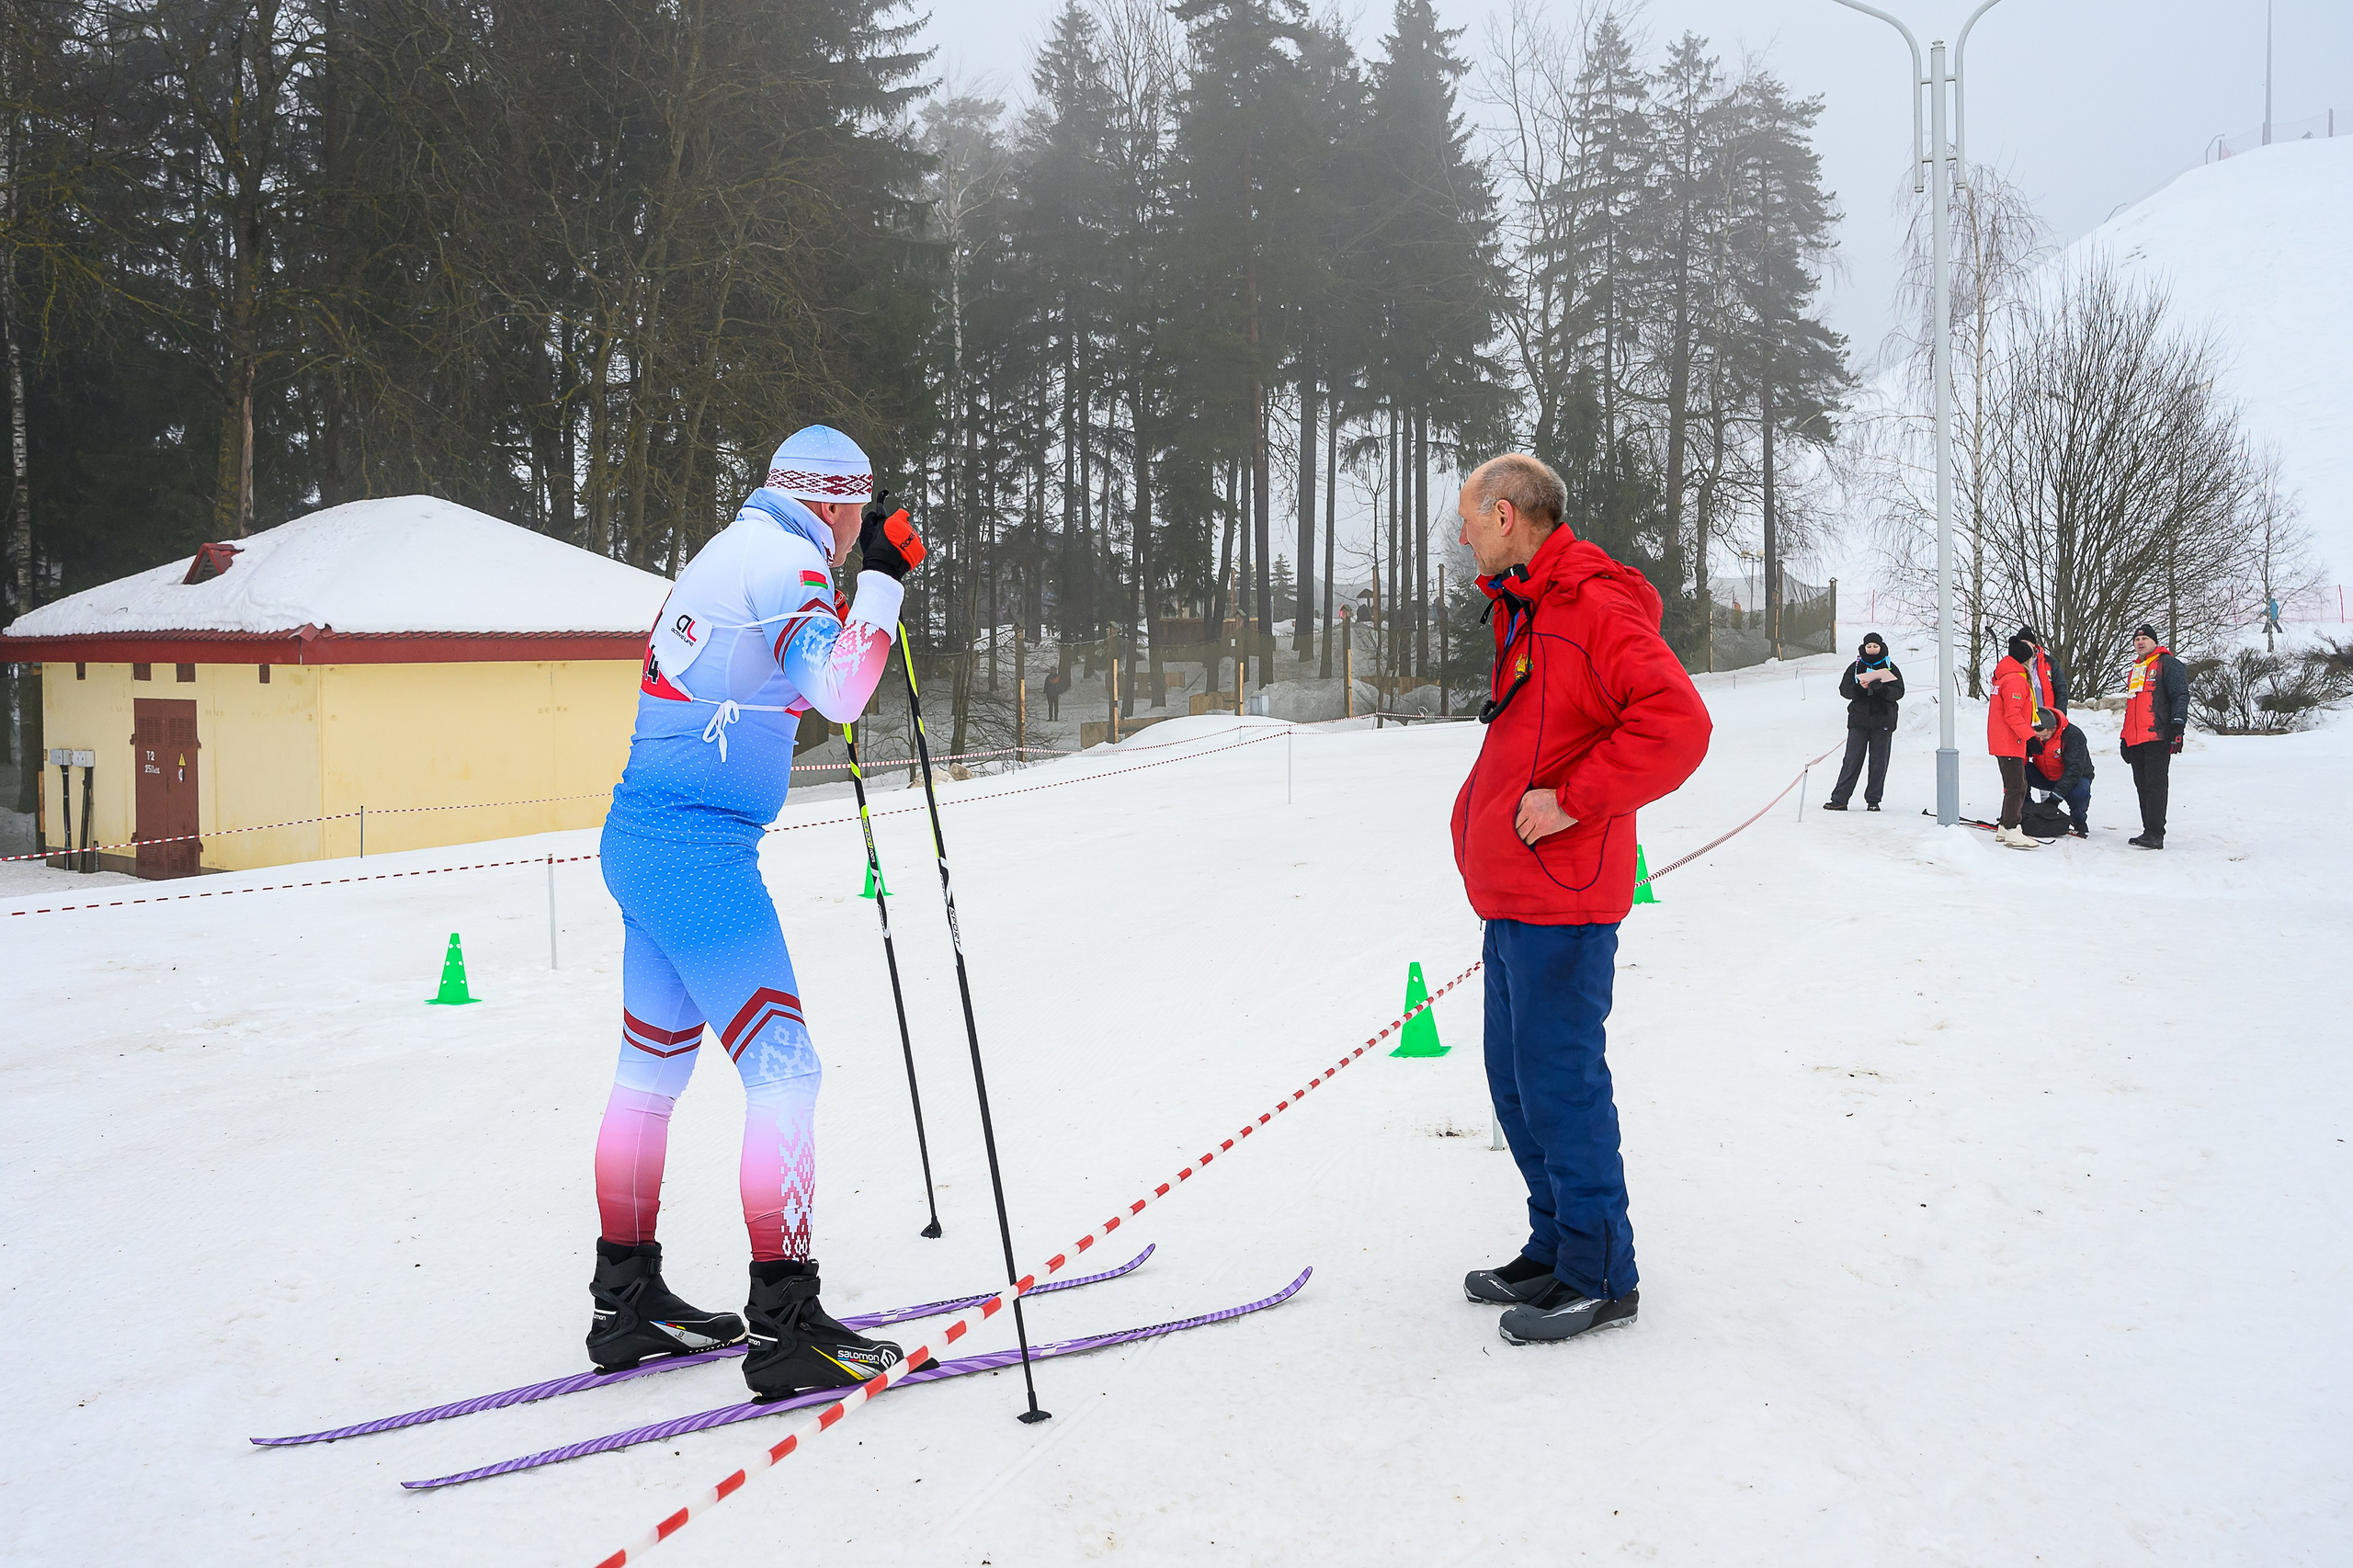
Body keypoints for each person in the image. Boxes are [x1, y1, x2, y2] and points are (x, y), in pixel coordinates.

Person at [589, 424, 931, 1400]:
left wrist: (858, 587)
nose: (858, 528)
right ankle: (786, 1323)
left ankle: (626, 1299)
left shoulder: (736, 547)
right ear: (831, 503)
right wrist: (885, 581)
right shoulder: (787, 562)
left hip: (647, 841)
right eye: (857, 512)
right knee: (786, 1071)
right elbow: (844, 688)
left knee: (649, 1074)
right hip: (697, 858)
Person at [1449, 453, 1711, 1345]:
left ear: (1507, 514)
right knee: (1516, 1085)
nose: (1464, 539)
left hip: (1562, 897)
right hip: (1515, 895)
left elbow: (1677, 724)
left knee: (1560, 1087)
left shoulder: (1592, 606)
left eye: (1470, 521)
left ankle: (1601, 1275)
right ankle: (1555, 1244)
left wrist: (1571, 799)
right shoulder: (1529, 604)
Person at [2120, 622, 2189, 849]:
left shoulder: (2167, 664)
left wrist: (2177, 725)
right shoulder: (2136, 669)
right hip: (2136, 738)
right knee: (2142, 785)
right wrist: (2124, 737)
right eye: (2137, 639)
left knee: (2155, 785)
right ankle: (2148, 830)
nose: (2140, 642)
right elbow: (2131, 706)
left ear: (2154, 642)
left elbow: (2180, 695)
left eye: (2145, 639)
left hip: (2157, 735)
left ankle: (2156, 833)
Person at [1823, 632, 1904, 812]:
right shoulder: (1855, 667)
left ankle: (1873, 800)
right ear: (1863, 648)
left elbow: (1899, 692)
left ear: (1881, 647)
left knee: (1879, 762)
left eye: (1875, 646)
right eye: (1869, 646)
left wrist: (1881, 688)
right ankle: (1840, 799)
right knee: (1851, 760)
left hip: (1883, 721)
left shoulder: (1890, 667)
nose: (1872, 649)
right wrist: (1860, 688)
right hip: (1859, 721)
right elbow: (1844, 690)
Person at [1986, 633, 2041, 850]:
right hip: (2011, 740)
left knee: (2013, 785)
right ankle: (2011, 829)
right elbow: (2013, 715)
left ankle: (2004, 826)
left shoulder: (2004, 677)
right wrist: (2030, 737)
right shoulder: (2016, 680)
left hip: (2005, 739)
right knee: (2017, 786)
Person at [2024, 710, 2094, 838]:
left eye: (2045, 736)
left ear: (2054, 728)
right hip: (2045, 774)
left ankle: (2078, 821)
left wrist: (2055, 798)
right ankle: (2025, 811)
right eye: (2038, 736)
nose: (2041, 739)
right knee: (2020, 772)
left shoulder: (2073, 736)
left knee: (2080, 795)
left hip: (2074, 778)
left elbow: (2074, 770)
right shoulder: (2033, 736)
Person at [2016, 624, 2070, 715]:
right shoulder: (2013, 665)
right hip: (2022, 718)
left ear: (2033, 645)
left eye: (2026, 644)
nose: (2023, 648)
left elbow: (2061, 691)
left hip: (2047, 717)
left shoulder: (2049, 663)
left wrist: (2059, 716)